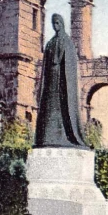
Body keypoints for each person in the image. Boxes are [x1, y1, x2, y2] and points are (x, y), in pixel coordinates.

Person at [35, 14, 87, 147]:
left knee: (63, 109)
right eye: (54, 24)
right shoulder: (50, 43)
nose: (56, 26)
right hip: (51, 81)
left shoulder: (67, 42)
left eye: (57, 23)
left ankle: (66, 136)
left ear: (62, 24)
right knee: (49, 109)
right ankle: (47, 138)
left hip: (63, 81)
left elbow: (70, 64)